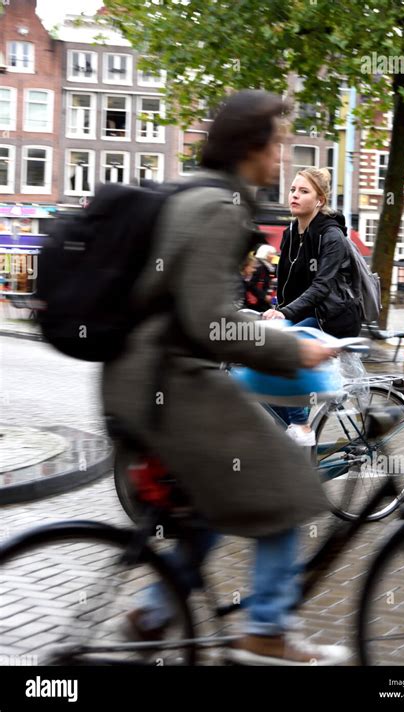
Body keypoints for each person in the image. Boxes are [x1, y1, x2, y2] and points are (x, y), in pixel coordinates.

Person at [102, 90, 350, 665]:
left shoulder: (199, 195)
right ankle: (266, 627)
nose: (281, 159)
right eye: (277, 144)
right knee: (286, 480)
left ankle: (154, 612)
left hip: (142, 379)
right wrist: (295, 351)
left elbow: (199, 309)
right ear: (252, 147)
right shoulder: (218, 207)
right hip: (169, 384)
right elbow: (211, 324)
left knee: (212, 501)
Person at [261, 167, 361, 446]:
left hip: (335, 317)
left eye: (303, 191)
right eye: (293, 189)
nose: (294, 195)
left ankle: (301, 426)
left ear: (319, 200)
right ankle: (290, 423)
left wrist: (284, 314)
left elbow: (322, 287)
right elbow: (285, 283)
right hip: (306, 313)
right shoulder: (290, 231)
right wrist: (274, 312)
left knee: (288, 347)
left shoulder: (332, 236)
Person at [245, 245, 277, 312]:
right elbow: (251, 284)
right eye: (270, 254)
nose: (273, 256)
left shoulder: (269, 267)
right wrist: (264, 296)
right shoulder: (259, 266)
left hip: (265, 300)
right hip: (258, 301)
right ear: (265, 254)